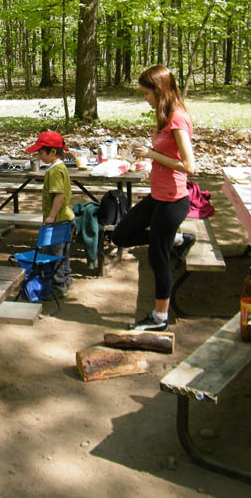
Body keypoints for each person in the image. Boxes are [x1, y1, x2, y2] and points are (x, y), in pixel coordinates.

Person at [112, 65, 196, 332]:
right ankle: (178, 240)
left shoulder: (177, 119)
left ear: (159, 91)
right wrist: (147, 155)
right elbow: (166, 155)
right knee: (121, 235)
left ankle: (160, 318)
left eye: (146, 93)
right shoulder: (166, 116)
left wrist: (151, 154)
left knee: (158, 258)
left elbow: (189, 166)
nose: (145, 98)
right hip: (158, 196)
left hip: (172, 200)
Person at [26, 131, 74, 295]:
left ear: (53, 152)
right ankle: (66, 280)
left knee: (54, 255)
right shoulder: (59, 167)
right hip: (65, 218)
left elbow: (59, 196)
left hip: (58, 221)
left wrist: (51, 216)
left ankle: (57, 287)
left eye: (41, 152)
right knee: (63, 254)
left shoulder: (55, 171)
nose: (39, 155)